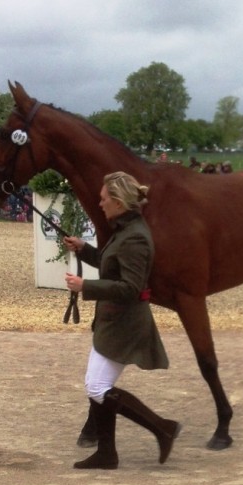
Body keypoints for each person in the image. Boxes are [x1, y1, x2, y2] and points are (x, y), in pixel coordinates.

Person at [63, 171, 180, 469]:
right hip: (113, 321)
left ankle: (162, 428)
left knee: (98, 388)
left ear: (117, 202)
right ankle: (107, 452)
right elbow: (112, 264)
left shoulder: (136, 237)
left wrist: (85, 286)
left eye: (103, 200)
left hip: (125, 323)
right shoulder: (126, 229)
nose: (100, 204)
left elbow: (131, 287)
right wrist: (84, 249)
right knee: (95, 385)